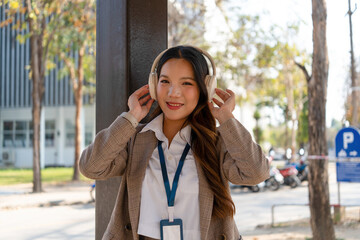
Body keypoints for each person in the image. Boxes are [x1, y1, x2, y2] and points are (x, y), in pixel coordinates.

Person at [80, 45, 270, 240]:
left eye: (186, 83)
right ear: (154, 85)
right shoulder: (136, 138)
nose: (173, 92)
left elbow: (256, 172)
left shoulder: (217, 143)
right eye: (165, 81)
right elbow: (91, 167)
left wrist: (226, 119)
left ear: (205, 89)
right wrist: (131, 117)